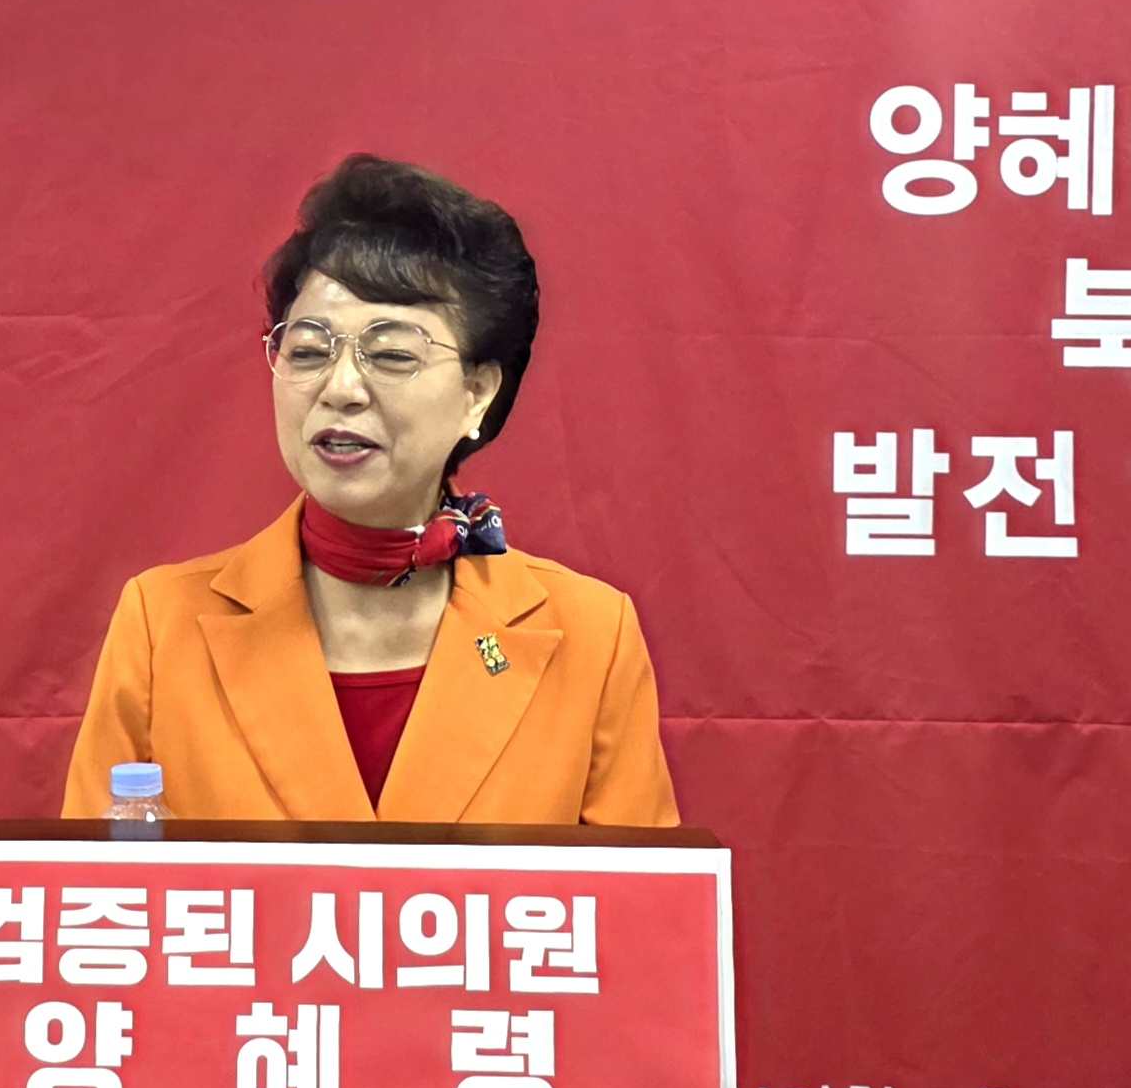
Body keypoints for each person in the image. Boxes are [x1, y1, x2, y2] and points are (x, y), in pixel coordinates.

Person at [59, 155, 680, 825]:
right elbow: (98, 889)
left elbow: (638, 892)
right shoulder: (161, 626)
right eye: (308, 351)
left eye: (391, 356)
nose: (341, 389)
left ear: (477, 394)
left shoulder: (590, 635)